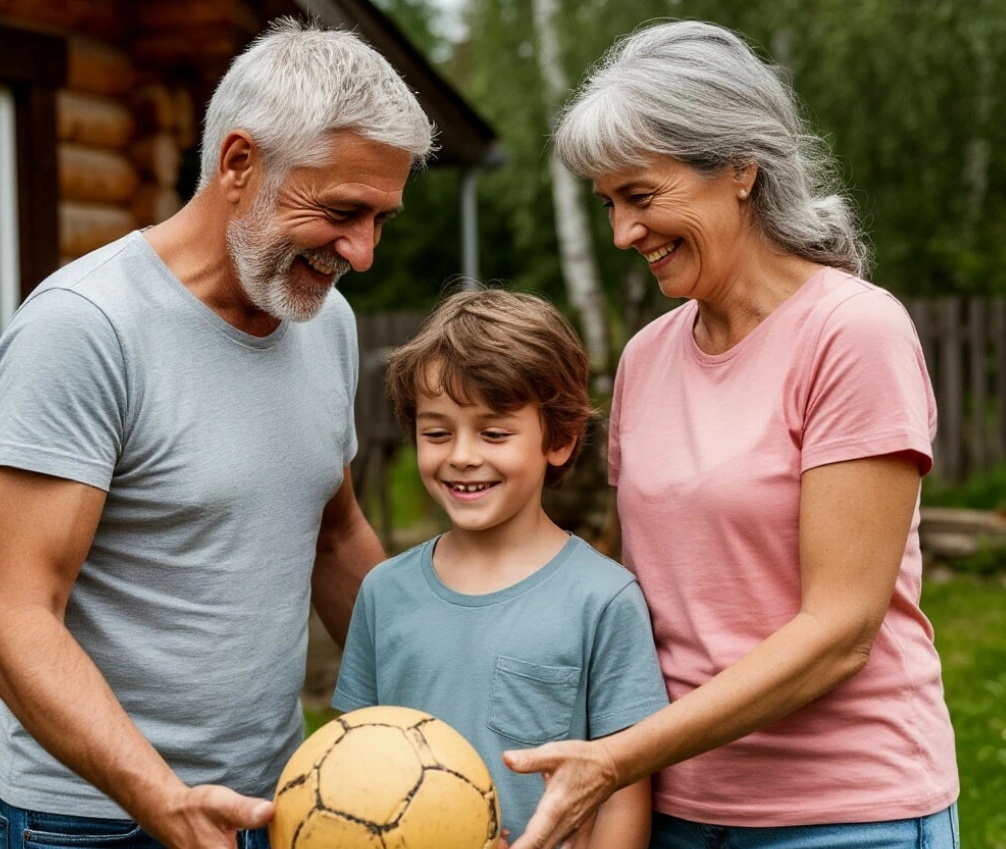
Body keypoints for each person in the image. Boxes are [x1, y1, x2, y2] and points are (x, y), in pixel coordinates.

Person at [500, 19, 961, 849]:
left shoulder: (851, 332)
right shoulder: (647, 358)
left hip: (847, 814)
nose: (622, 234)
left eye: (642, 197)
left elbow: (839, 632)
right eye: (608, 205)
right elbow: (651, 596)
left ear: (740, 168)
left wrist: (614, 759)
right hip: (677, 807)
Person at [0, 18, 434, 849]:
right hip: (91, 818)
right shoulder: (87, 327)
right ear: (239, 163)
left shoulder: (325, 320)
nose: (365, 252)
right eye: (344, 211)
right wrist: (159, 796)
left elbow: (337, 536)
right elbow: (17, 611)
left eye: (382, 218)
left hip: (281, 798)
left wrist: (445, 705)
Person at [331, 288, 670, 847]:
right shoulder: (383, 592)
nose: (462, 455)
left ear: (558, 439)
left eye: (493, 432)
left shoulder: (603, 600)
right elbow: (350, 764)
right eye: (437, 432)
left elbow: (623, 793)